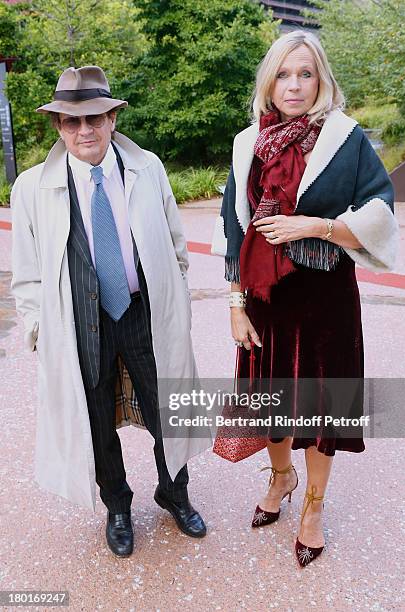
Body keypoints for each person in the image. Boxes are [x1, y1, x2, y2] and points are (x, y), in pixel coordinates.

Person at [211, 30, 398, 567]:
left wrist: (318, 225)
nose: (293, 85)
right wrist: (235, 303)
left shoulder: (346, 139)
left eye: (305, 74)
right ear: (269, 81)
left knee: (319, 409)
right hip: (265, 297)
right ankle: (281, 477)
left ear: (321, 81)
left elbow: (382, 209)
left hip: (325, 298)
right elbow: (233, 224)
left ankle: (313, 507)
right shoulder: (248, 142)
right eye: (284, 74)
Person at [11, 65, 210, 558]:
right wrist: (39, 328)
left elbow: (175, 244)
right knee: (96, 418)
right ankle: (117, 505)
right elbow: (27, 273)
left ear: (114, 119)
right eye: (73, 121)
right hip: (79, 323)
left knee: (170, 409)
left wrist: (177, 298)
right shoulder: (32, 188)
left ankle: (174, 492)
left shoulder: (149, 168)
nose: (86, 130)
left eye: (96, 118)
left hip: (144, 312)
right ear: (58, 126)